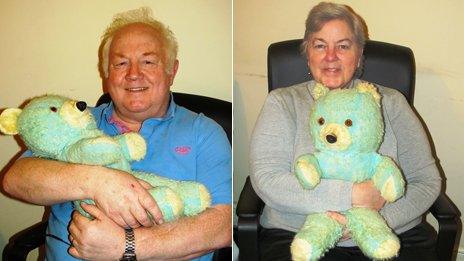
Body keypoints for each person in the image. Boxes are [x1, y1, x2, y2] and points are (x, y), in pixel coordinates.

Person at [2, 7, 231, 261]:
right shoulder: (74, 122)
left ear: (171, 71)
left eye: (148, 61)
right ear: (107, 74)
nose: (133, 74)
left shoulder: (205, 132)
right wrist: (99, 182)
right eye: (121, 63)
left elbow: (222, 225)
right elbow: (15, 179)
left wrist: (127, 245)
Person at [249, 2, 441, 260]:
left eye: (343, 46)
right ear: (308, 54)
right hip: (298, 234)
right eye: (320, 45)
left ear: (359, 54)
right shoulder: (283, 102)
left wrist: (372, 223)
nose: (331, 56)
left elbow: (426, 181)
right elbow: (267, 180)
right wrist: (352, 195)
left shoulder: (391, 102)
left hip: (391, 233)